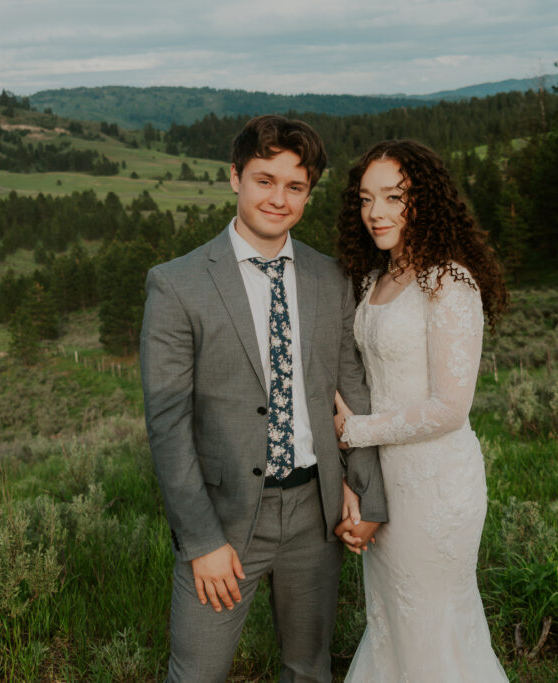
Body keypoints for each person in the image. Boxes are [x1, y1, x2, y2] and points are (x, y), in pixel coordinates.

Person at [140, 114, 388, 683]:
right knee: (197, 673)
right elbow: (168, 425)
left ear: (308, 194)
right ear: (234, 177)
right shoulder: (178, 285)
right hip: (222, 521)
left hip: (314, 513)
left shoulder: (332, 279)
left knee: (308, 669)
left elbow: (355, 393)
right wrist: (202, 540)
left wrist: (363, 492)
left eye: (295, 186)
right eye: (264, 180)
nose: (279, 198)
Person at [332, 139, 509, 681]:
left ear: (424, 202)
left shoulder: (448, 283)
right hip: (385, 478)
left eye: (393, 197)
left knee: (433, 621)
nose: (376, 212)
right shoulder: (373, 281)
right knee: (393, 622)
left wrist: (355, 430)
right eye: (366, 199)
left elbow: (451, 409)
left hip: (436, 486)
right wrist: (357, 481)